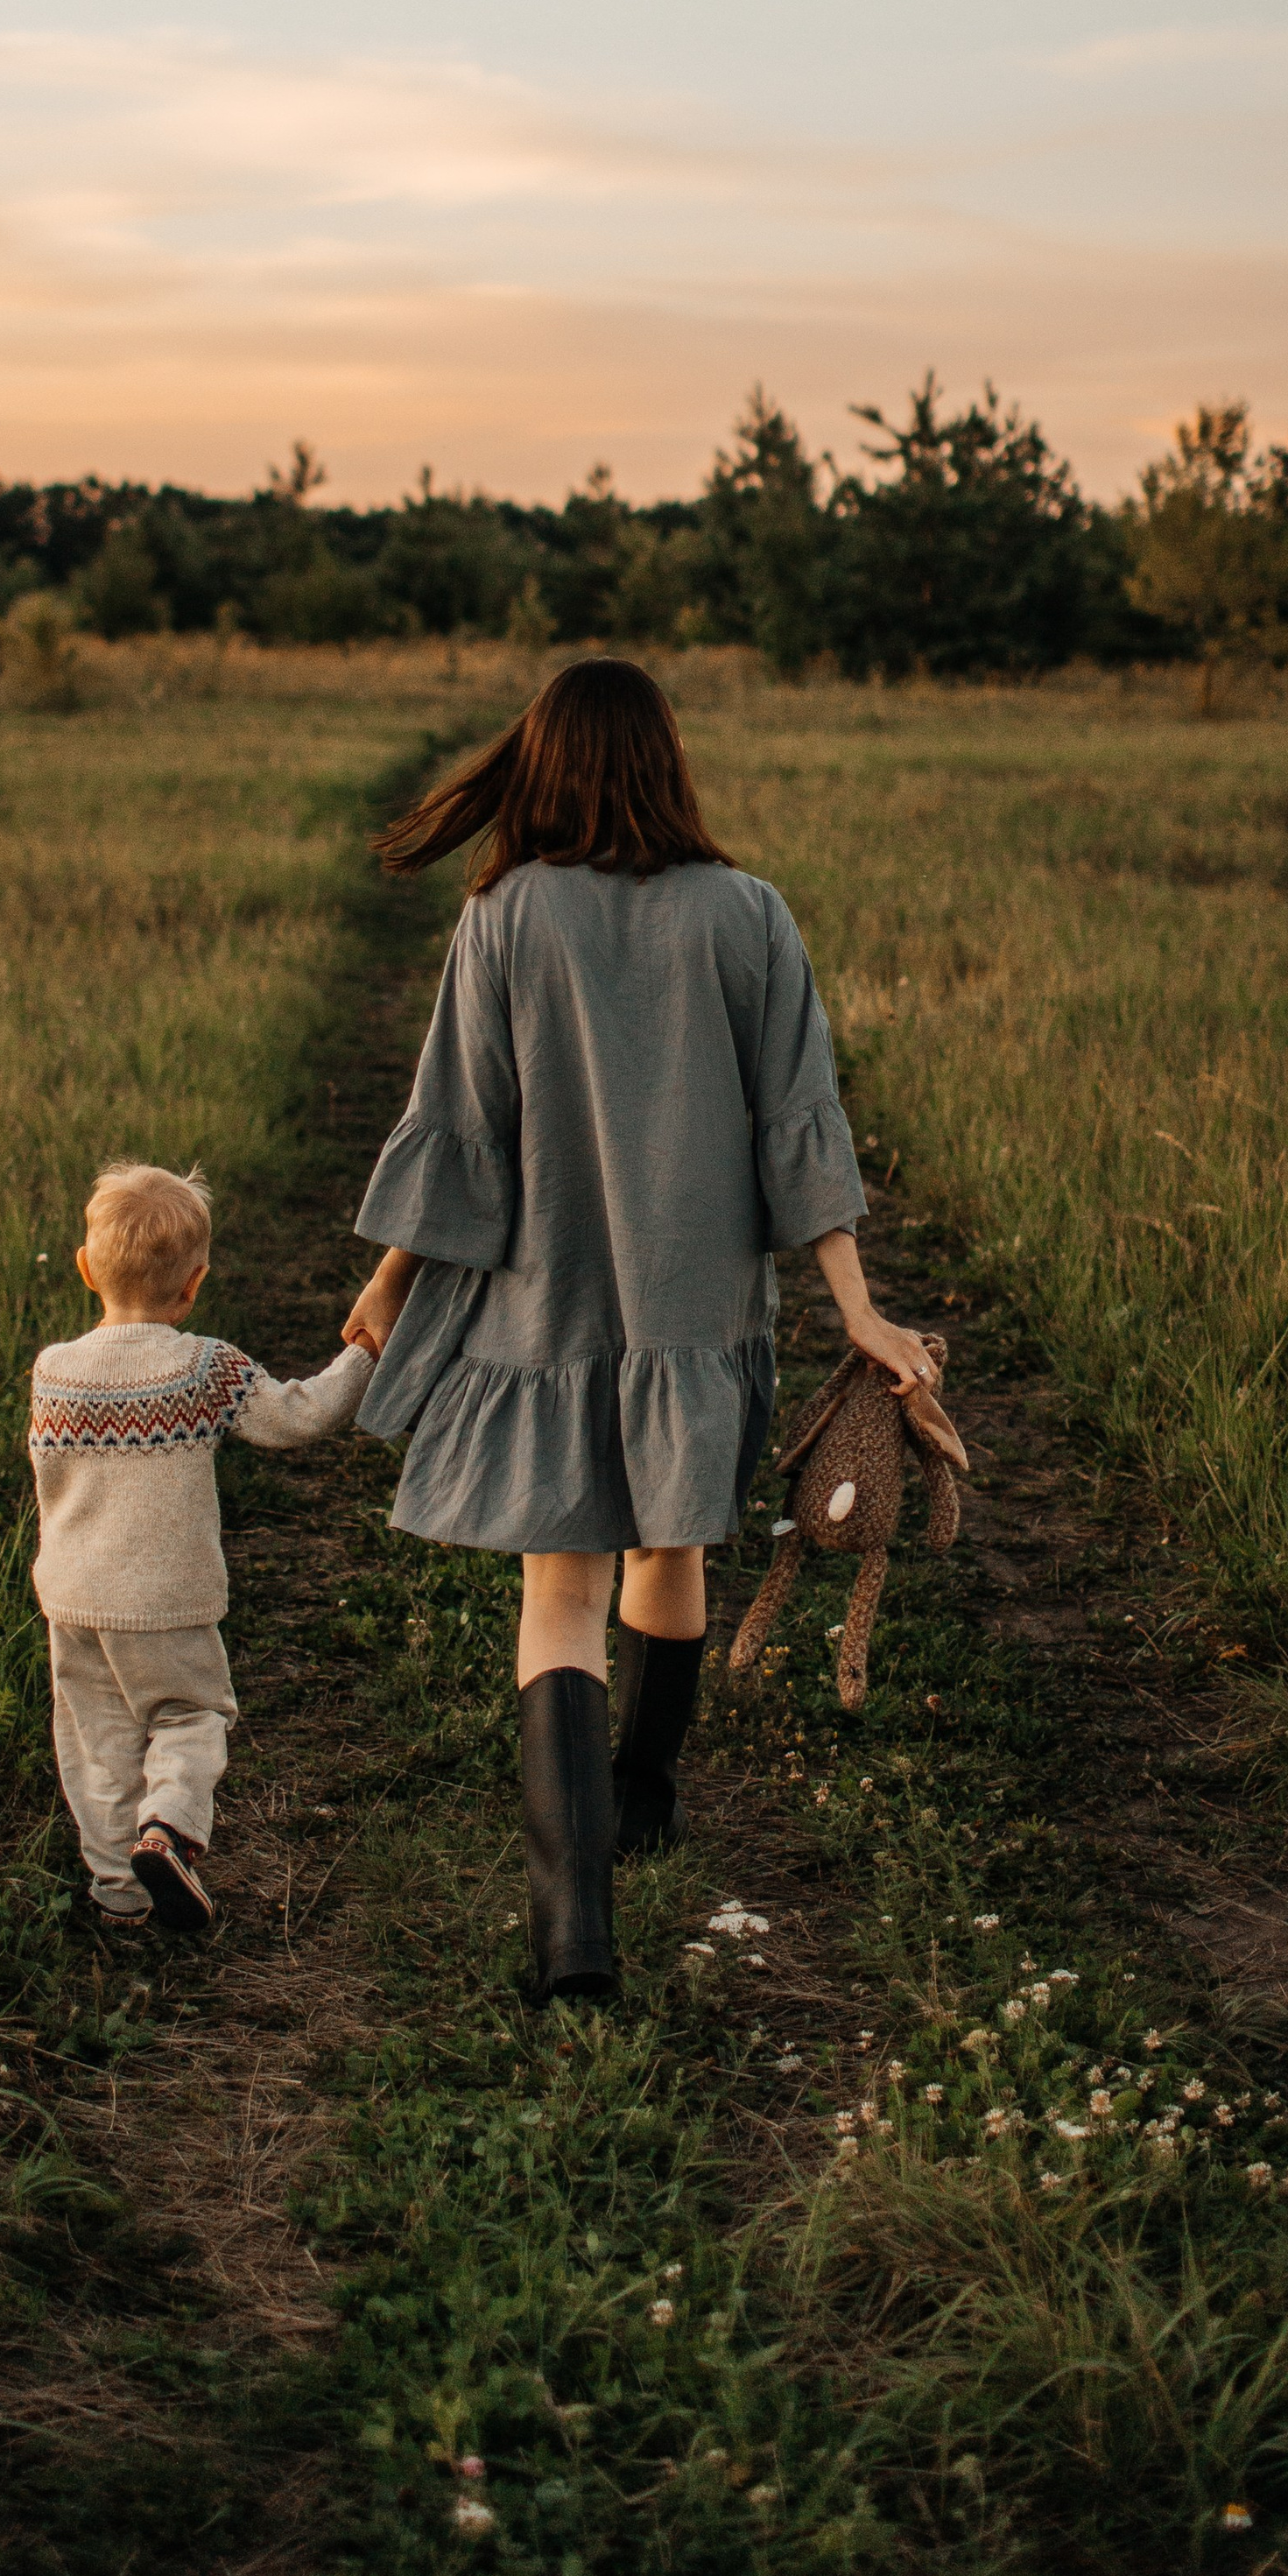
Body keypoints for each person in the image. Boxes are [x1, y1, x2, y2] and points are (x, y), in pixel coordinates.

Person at [342, 659, 935, 2005]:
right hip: (694, 1307)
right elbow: (800, 1123)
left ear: (544, 764)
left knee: (558, 1589)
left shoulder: (502, 916)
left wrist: (389, 1284)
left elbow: (464, 1128)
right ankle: (648, 1797)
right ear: (668, 760)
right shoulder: (750, 914)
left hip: (544, 1310)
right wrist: (857, 1307)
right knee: (668, 1548)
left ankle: (572, 1936)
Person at [29, 1161, 373, 1933]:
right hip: (169, 1599)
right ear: (195, 1284)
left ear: (85, 1269)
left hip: (75, 1599)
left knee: (96, 1737)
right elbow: (298, 1417)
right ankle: (171, 1829)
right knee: (190, 1717)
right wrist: (363, 1357)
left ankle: (119, 1895)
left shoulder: (53, 1371)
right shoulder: (203, 1366)